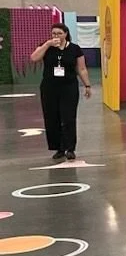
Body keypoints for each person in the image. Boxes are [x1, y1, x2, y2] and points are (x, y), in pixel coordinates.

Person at [29, 23, 92, 160]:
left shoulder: (75, 49)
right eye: (53, 34)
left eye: (59, 33)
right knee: (52, 118)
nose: (56, 36)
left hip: (68, 87)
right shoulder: (47, 46)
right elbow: (34, 58)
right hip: (49, 87)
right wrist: (47, 44)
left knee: (68, 117)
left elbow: (81, 68)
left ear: (66, 34)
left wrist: (87, 85)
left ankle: (70, 148)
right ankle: (58, 148)